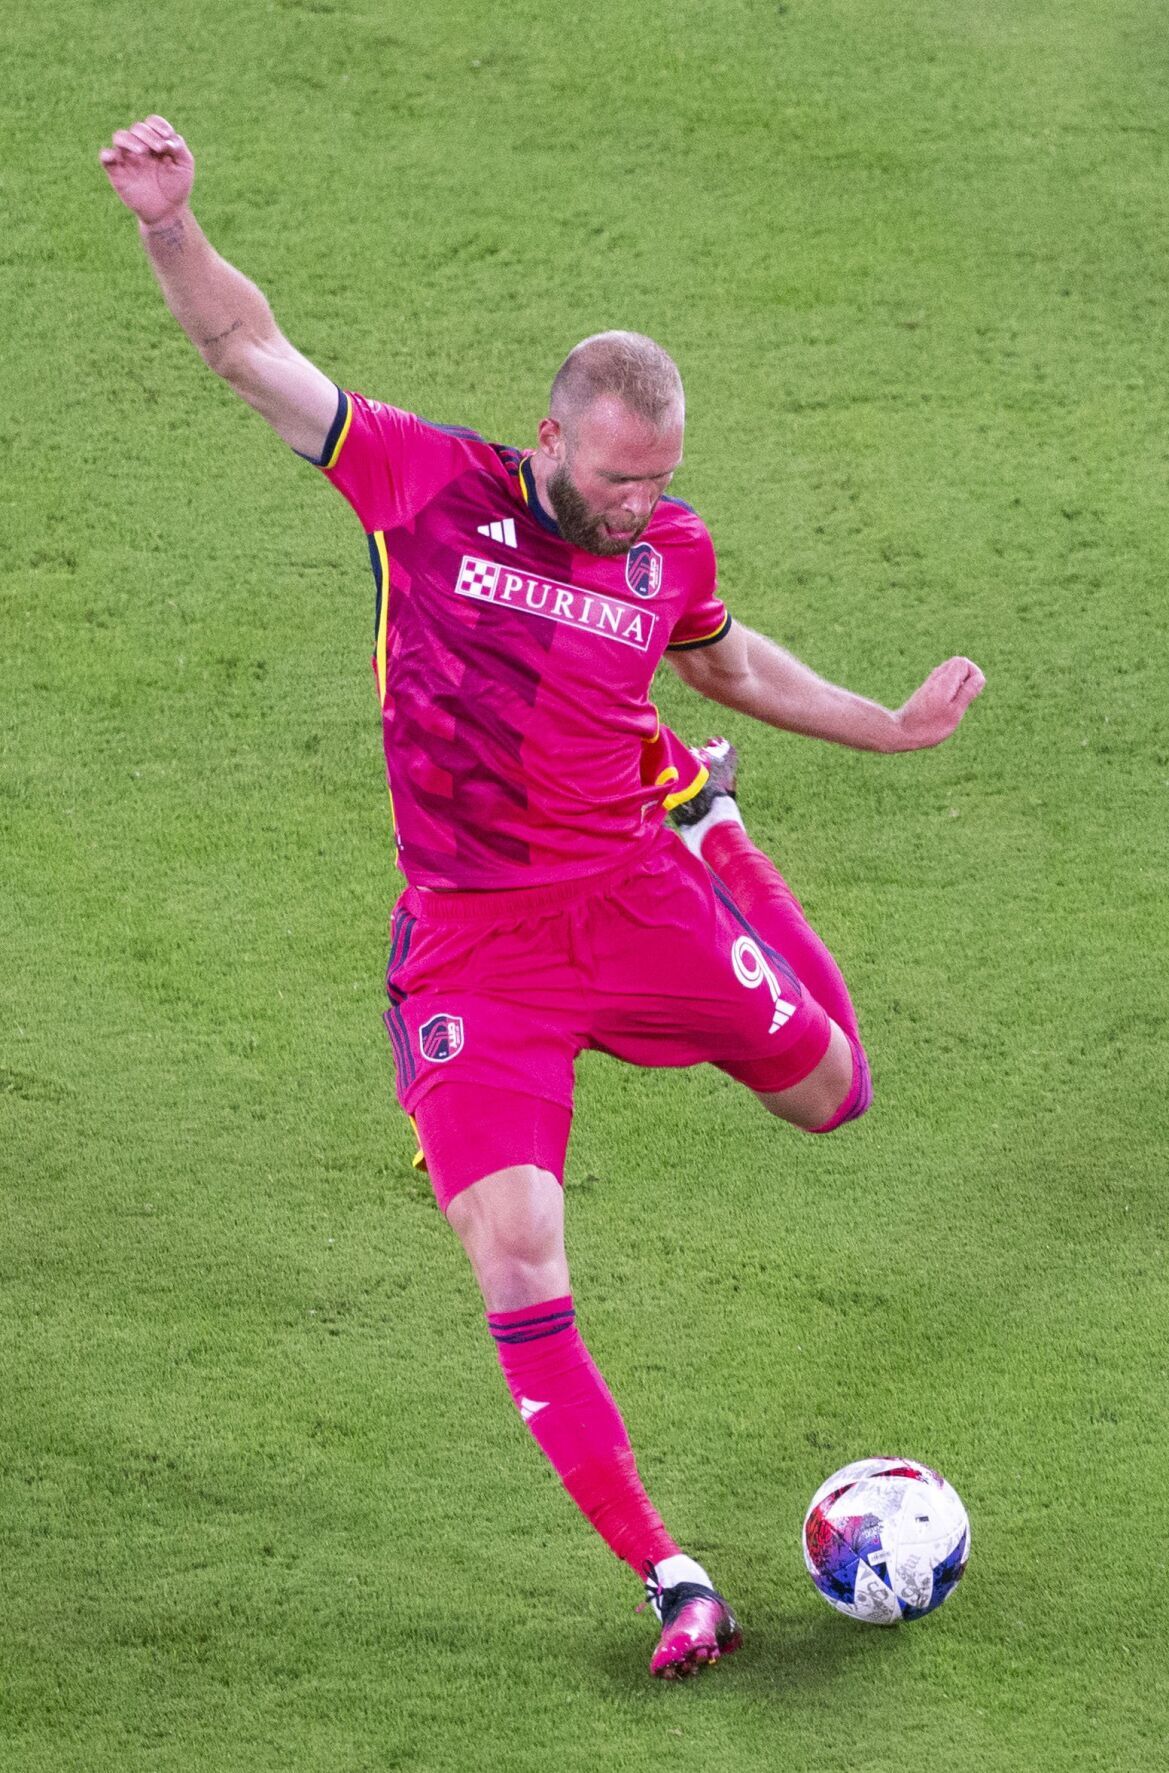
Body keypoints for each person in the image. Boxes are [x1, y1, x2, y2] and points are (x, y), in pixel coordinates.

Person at [101, 115, 986, 1680]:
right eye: (617, 476)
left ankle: (708, 818)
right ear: (551, 437)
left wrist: (886, 723)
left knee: (835, 1096)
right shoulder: (420, 486)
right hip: (474, 950)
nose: (642, 505)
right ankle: (670, 1575)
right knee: (515, 1250)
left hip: (637, 894)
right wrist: (173, 228)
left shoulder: (666, 548)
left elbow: (718, 655)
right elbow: (250, 350)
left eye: (663, 480)